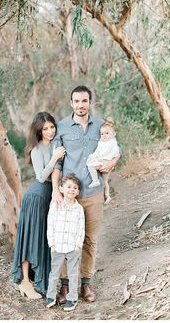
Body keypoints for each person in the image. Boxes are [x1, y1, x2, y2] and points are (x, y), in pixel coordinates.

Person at [51, 85, 120, 303]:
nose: (81, 105)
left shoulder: (101, 126)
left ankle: (85, 283)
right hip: (69, 195)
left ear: (90, 102)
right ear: (71, 103)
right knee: (65, 240)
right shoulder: (61, 128)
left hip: (93, 192)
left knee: (90, 239)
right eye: (77, 101)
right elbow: (57, 163)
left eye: (84, 101)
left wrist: (112, 162)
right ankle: (65, 285)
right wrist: (56, 190)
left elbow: (118, 150)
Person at [11, 112, 66, 299]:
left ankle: (41, 282)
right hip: (35, 198)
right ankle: (25, 282)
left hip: (48, 200)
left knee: (43, 240)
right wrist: (54, 158)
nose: (50, 131)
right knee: (30, 240)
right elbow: (41, 176)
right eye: (45, 129)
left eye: (52, 127)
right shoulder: (36, 149)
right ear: (39, 131)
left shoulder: (58, 144)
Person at [46, 174, 85, 311]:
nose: (72, 190)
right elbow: (50, 224)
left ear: (78, 192)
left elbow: (81, 227)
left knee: (73, 274)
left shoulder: (78, 209)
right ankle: (50, 296)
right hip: (58, 245)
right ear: (61, 189)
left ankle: (72, 298)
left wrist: (78, 244)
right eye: (69, 187)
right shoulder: (55, 205)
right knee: (55, 273)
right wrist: (52, 243)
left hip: (72, 246)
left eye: (75, 188)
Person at [86, 118, 120, 204]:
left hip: (104, 162)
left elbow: (116, 152)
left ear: (114, 134)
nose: (104, 136)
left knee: (90, 166)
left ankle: (95, 180)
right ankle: (107, 196)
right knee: (105, 181)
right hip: (102, 162)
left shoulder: (112, 143)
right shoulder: (102, 142)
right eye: (102, 134)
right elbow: (98, 150)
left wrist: (112, 161)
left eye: (107, 133)